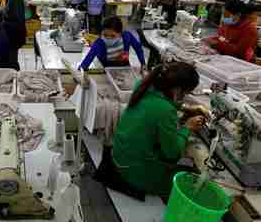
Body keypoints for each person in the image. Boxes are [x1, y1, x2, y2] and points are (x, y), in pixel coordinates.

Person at [112, 62, 205, 198]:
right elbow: (171, 153)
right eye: (186, 92)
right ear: (178, 90)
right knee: (193, 184)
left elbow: (160, 100)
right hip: (135, 172)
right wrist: (187, 128)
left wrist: (185, 108)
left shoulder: (144, 86)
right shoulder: (166, 111)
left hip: (119, 157)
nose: (184, 96)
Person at [79, 16, 146, 70]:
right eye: (105, 35)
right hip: (106, 70)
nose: (108, 38)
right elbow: (88, 59)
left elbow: (138, 48)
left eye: (113, 36)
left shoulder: (126, 37)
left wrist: (143, 63)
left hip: (124, 67)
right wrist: (80, 71)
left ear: (120, 33)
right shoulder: (99, 43)